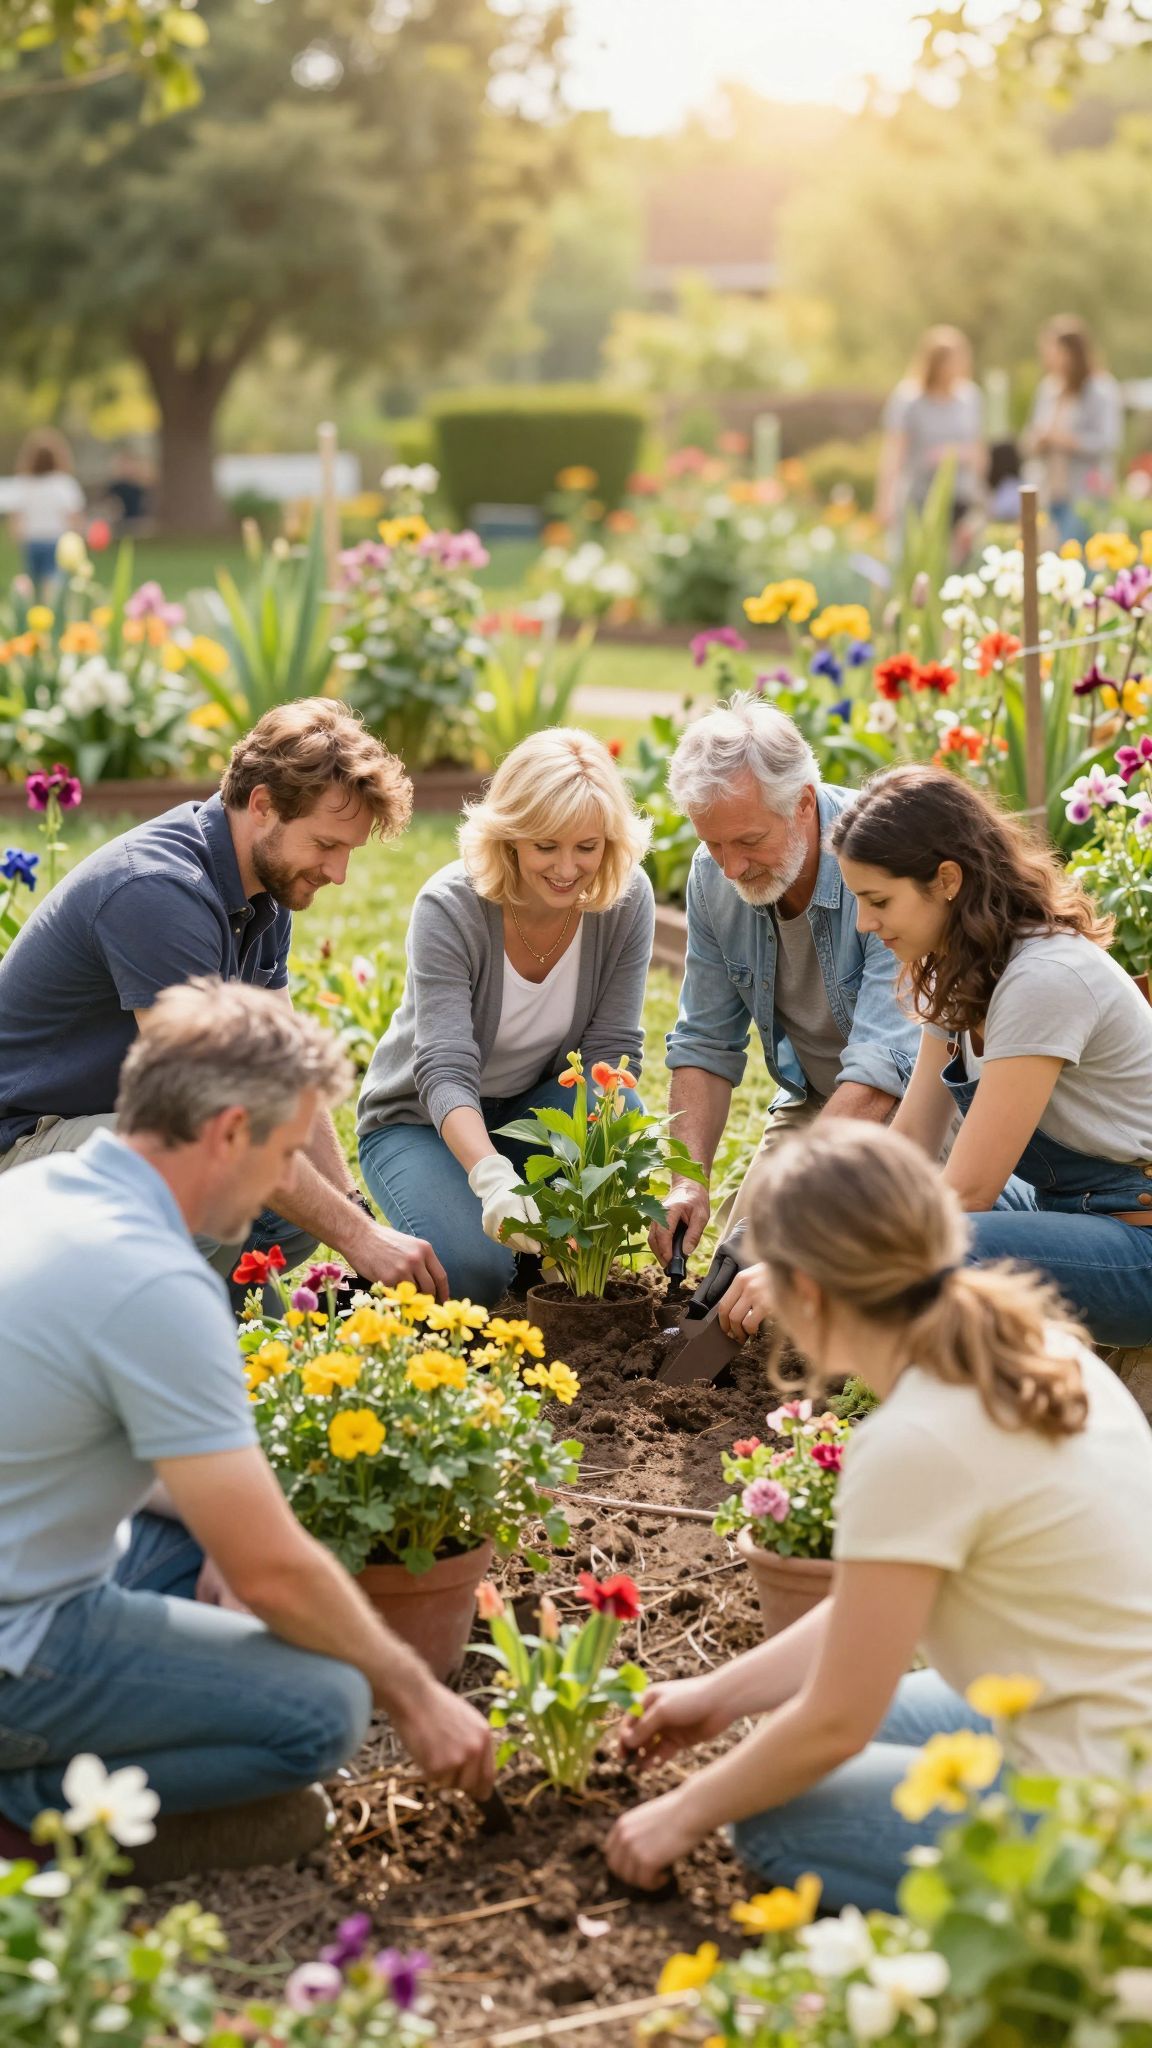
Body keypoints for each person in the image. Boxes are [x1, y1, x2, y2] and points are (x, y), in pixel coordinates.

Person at [0, 979, 493, 1880]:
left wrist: (228, 1523)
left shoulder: (45, 1190)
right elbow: (270, 1569)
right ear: (228, 1131)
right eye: (282, 1153)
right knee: (326, 1706)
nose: (283, 1187)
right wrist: (418, 1696)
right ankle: (27, 1818)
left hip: (30, 1559)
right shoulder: (154, 1279)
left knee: (183, 1538)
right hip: (18, 1646)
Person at [607, 1120, 1152, 1912]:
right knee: (777, 1745)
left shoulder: (913, 1438)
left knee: (769, 1817)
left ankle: (1072, 1928)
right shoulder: (1034, 1343)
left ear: (811, 1295)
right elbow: (872, 1616)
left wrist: (674, 1819)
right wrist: (718, 1696)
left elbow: (837, 1721)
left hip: (1108, 1807)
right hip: (1107, 1707)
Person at [0, 698, 446, 1307]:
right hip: (23, 1148)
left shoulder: (263, 888)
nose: (338, 872)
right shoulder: (158, 892)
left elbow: (283, 1077)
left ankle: (190, 1312)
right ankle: (131, 1338)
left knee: (293, 1212)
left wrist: (351, 1212)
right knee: (215, 1165)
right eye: (325, 844)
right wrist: (361, 1238)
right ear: (261, 805)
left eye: (348, 851)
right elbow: (214, 1111)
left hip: (108, 1132)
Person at [830, 763, 1152, 1349]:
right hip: (1070, 1209)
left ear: (947, 879)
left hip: (1137, 1241)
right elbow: (910, 1150)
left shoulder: (1043, 977)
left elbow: (969, 1194)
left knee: (938, 1248)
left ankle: (975, 1428)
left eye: (878, 899)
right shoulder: (957, 970)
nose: (864, 922)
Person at [647, 697, 919, 1339]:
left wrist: (789, 1221)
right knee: (737, 1291)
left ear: (803, 801)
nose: (732, 866)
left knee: (807, 1287)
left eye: (748, 841)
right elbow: (705, 1042)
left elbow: (886, 1070)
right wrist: (686, 1180)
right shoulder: (714, 882)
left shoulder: (882, 862)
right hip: (819, 1100)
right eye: (712, 843)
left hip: (921, 1107)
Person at [358, 729, 654, 1305]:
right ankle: (467, 1239)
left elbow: (612, 1054)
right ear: (510, 836)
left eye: (587, 847)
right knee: (473, 1273)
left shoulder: (625, 900)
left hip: (532, 1111)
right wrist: (493, 1178)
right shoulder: (450, 907)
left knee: (621, 1108)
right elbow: (443, 1068)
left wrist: (593, 1194)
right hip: (422, 1123)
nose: (568, 869)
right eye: (546, 846)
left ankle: (537, 1263)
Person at [875, 326, 985, 546]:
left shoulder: (970, 397)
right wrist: (884, 500)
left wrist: (980, 493)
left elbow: (978, 448)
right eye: (952, 360)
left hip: (960, 496)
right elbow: (894, 451)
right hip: (920, 496)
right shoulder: (909, 399)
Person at [1023, 315, 1122, 547]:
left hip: (1085, 494)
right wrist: (1039, 440)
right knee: (1053, 556)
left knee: (1078, 556)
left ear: (1071, 352)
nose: (1047, 355)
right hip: (1052, 492)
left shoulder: (1100, 389)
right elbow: (1029, 437)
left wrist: (1064, 440)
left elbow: (1108, 442)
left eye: (1052, 349)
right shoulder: (1048, 389)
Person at [8, 427, 85, 589]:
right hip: (55, 541)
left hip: (32, 541)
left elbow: (16, 519)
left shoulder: (23, 484)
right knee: (52, 584)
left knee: (32, 583)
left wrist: (18, 538)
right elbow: (74, 518)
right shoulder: (64, 484)